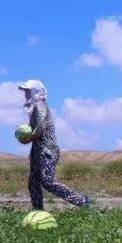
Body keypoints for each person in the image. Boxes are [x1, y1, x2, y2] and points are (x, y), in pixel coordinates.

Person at [17, 79, 89, 209]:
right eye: (25, 91)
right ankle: (38, 212)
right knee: (33, 183)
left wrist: (28, 138)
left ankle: (82, 201)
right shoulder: (34, 107)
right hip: (37, 150)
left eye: (28, 91)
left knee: (47, 181)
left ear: (36, 91)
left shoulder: (40, 106)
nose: (26, 94)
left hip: (47, 150)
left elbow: (41, 127)